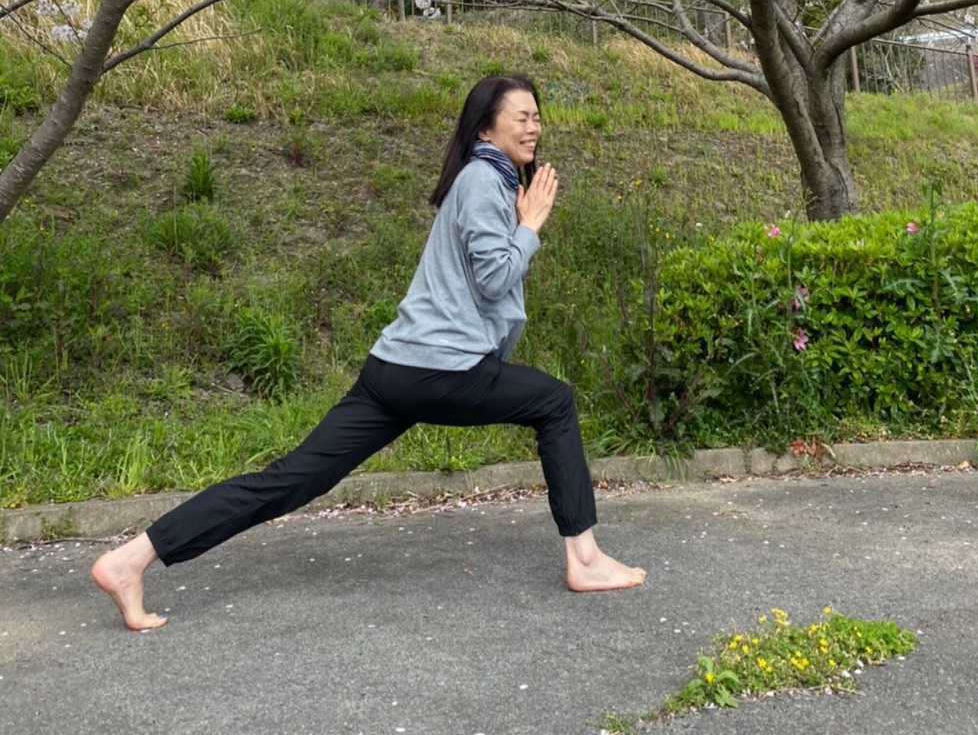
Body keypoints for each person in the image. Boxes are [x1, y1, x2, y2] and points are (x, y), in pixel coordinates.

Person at [92, 74, 646, 629]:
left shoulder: (488, 181)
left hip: (396, 370)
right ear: (484, 126)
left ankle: (130, 559)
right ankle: (586, 559)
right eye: (521, 117)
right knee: (554, 402)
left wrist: (519, 223)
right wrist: (529, 227)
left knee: (294, 478)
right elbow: (495, 278)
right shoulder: (483, 180)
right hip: (439, 370)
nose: (534, 127)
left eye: (537, 116)